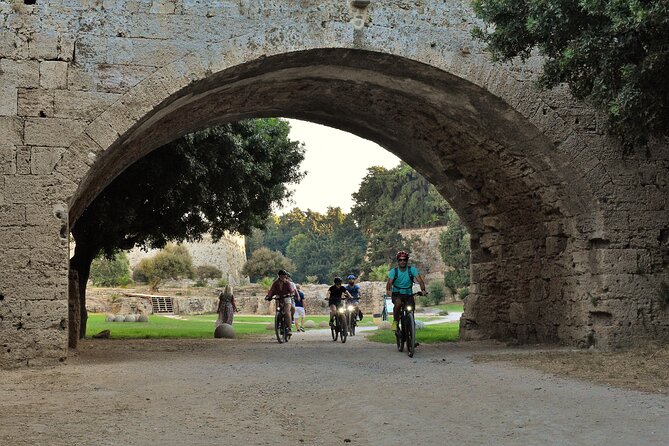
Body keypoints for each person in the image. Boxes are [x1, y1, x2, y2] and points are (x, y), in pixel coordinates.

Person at [385, 251, 426, 331]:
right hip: (397, 294)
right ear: (398, 261)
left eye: (404, 259)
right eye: (400, 260)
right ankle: (395, 322)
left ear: (407, 260)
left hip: (408, 294)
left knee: (411, 309)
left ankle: (411, 327)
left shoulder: (412, 270)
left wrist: (423, 290)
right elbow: (389, 282)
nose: (402, 261)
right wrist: (388, 290)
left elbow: (420, 281)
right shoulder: (394, 271)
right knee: (398, 303)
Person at [264, 269, 294, 337]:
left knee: (287, 312)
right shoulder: (275, 283)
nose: (283, 277)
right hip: (279, 298)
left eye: (284, 276)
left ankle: (289, 329)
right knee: (278, 311)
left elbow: (291, 290)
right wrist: (268, 296)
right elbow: (271, 290)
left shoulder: (287, 283)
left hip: (287, 297)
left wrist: (291, 294)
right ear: (279, 276)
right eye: (282, 276)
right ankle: (278, 322)